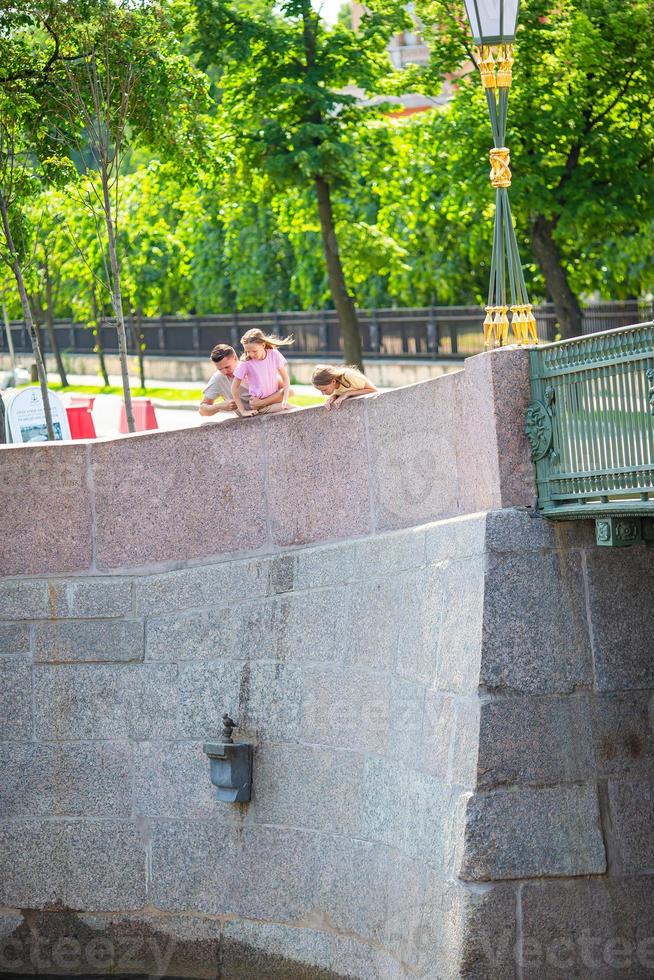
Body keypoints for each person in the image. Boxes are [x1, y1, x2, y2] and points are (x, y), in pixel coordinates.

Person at [231, 328, 293, 418]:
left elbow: (286, 378)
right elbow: (234, 388)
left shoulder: (274, 354)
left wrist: (285, 400)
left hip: (275, 400)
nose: (251, 354)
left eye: (254, 351)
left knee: (293, 402)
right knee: (296, 411)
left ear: (263, 345)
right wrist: (243, 411)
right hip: (260, 406)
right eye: (248, 351)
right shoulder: (245, 363)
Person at [199, 344, 250, 418]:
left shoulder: (250, 366)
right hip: (247, 420)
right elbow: (202, 411)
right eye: (219, 369)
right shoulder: (218, 378)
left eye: (227, 367)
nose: (224, 372)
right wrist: (220, 406)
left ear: (235, 358)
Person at [311, 364, 377, 410]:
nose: (323, 394)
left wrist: (347, 393)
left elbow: (374, 390)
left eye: (324, 390)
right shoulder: (334, 387)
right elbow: (339, 391)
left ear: (333, 381)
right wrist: (334, 397)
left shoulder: (349, 376)